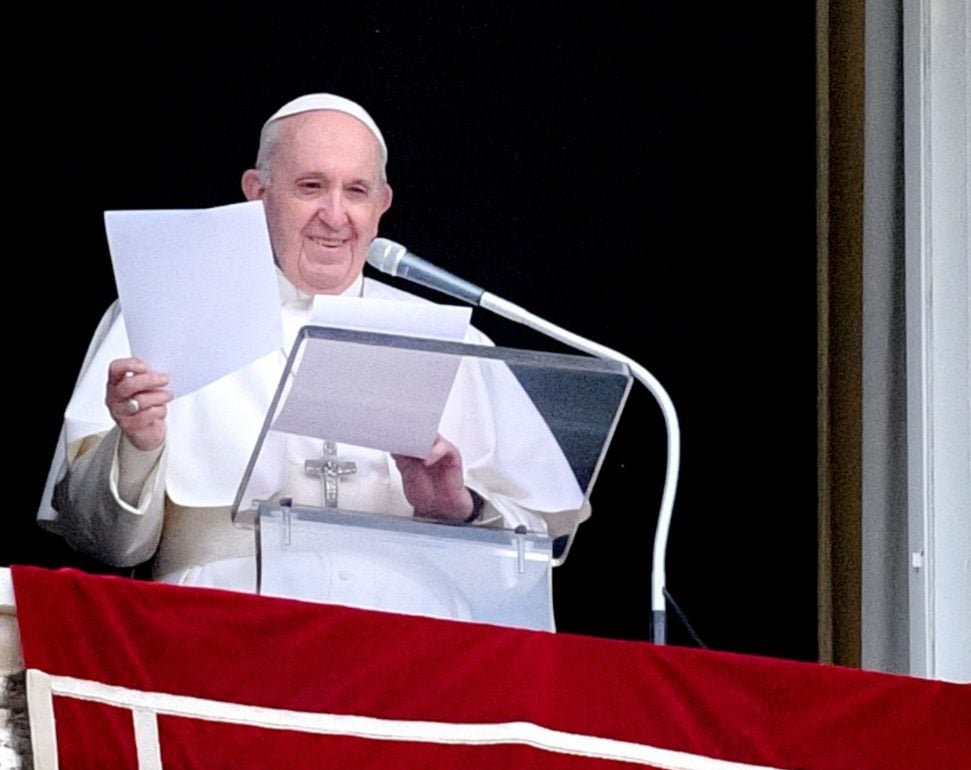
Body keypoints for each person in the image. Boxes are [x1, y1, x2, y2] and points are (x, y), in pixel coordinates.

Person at [39, 94, 586, 622]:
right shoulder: (166, 311)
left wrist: (460, 508)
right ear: (257, 193)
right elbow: (104, 543)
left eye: (355, 191)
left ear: (381, 205)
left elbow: (531, 566)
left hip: (413, 659)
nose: (334, 215)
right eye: (310, 187)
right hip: (220, 639)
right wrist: (137, 447)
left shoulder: (454, 341)